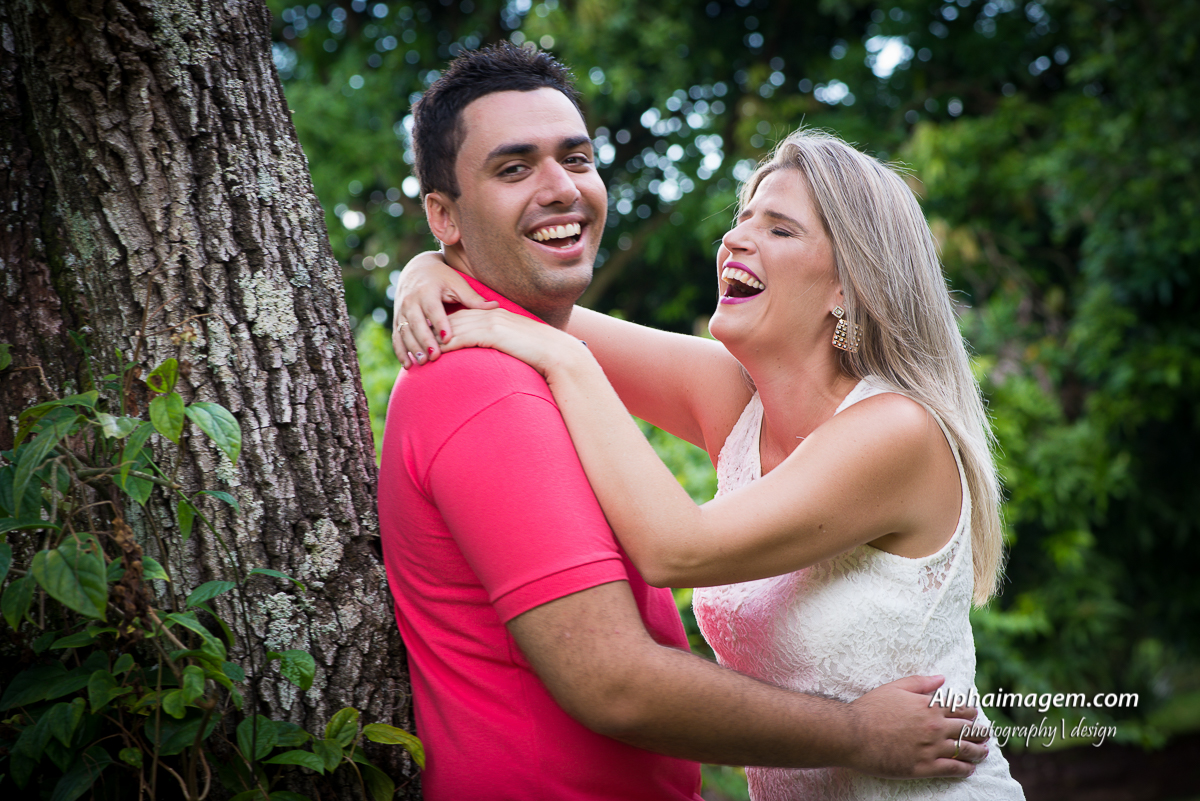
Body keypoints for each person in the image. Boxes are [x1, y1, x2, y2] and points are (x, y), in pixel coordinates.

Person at [379, 42, 990, 800]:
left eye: (779, 229)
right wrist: (427, 266)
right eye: (743, 218)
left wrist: (565, 363)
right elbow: (523, 297)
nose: (736, 239)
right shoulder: (735, 395)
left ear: (845, 287)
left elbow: (675, 549)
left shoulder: (897, 432)